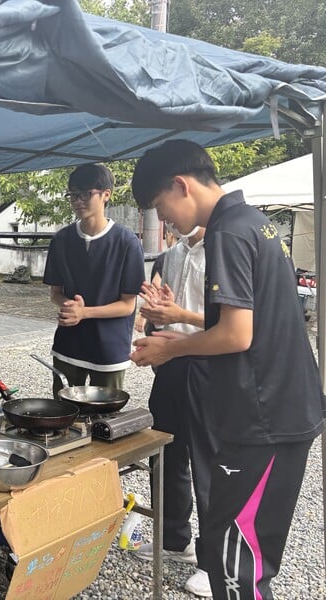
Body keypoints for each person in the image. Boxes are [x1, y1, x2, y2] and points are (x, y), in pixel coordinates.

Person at [130, 139, 325, 599]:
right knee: (235, 548)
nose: (166, 222)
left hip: (264, 416)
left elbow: (237, 336)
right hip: (278, 408)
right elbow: (248, 322)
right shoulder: (255, 222)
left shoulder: (227, 232)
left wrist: (172, 351)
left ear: (181, 185)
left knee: (237, 561)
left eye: (161, 207)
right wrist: (181, 339)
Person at [134, 224, 217, 598]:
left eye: (165, 207)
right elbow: (165, 316)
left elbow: (238, 321)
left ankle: (216, 562)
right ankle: (173, 539)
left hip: (211, 364)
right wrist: (156, 316)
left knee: (210, 463)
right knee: (166, 453)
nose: (165, 219)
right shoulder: (172, 255)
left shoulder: (223, 249)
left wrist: (180, 313)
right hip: (172, 362)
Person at [42, 163, 144, 395]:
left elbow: (127, 305)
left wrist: (84, 312)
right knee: (63, 410)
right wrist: (70, 306)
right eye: (73, 195)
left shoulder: (126, 242)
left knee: (106, 412)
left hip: (109, 347)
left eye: (86, 194)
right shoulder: (61, 240)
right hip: (68, 344)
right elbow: (55, 293)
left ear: (106, 194)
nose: (78, 201)